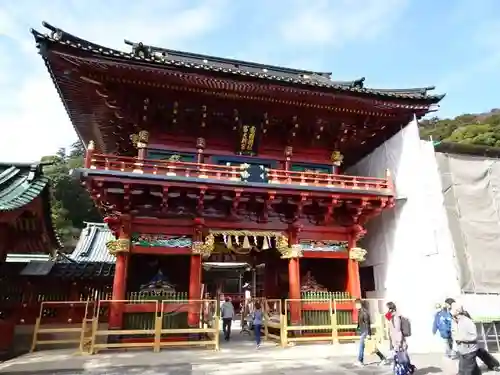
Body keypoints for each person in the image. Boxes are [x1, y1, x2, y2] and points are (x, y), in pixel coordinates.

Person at [446, 298, 500, 372]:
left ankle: (494, 365)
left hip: (470, 344)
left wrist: (462, 337)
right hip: (463, 346)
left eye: (449, 307)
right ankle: (480, 370)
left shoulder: (464, 316)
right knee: (471, 361)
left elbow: (471, 332)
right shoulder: (453, 317)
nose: (448, 310)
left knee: (478, 355)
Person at [354, 299, 388, 366]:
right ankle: (383, 358)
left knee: (362, 346)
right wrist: (358, 328)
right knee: (371, 347)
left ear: (359, 304)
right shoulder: (360, 311)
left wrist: (368, 334)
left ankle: (360, 361)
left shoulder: (364, 312)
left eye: (356, 304)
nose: (355, 306)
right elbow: (360, 322)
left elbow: (367, 323)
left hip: (365, 332)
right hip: (363, 331)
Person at [451, 302, 481, 375]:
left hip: (470, 350)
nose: (450, 310)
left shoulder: (467, 321)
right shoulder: (454, 321)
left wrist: (461, 338)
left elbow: (474, 336)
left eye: (451, 309)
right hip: (461, 349)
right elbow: (454, 332)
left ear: (457, 311)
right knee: (469, 369)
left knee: (465, 370)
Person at [386, 302, 416, 375]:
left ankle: (405, 371)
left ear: (391, 309)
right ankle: (409, 369)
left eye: (387, 309)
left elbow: (398, 331)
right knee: (402, 357)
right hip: (395, 341)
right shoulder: (392, 317)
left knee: (401, 358)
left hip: (399, 341)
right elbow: (387, 317)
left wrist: (399, 342)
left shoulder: (396, 318)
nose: (386, 311)